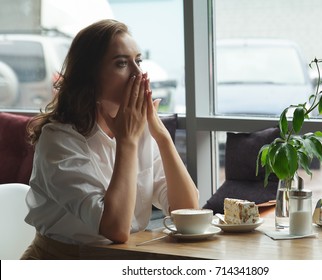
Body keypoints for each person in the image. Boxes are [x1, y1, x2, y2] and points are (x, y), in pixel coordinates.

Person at [21, 19, 199, 259]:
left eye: (138, 61)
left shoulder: (141, 130)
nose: (138, 73)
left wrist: (163, 137)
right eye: (121, 63)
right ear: (90, 75)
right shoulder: (59, 140)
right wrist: (127, 142)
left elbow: (187, 211)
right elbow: (115, 229)